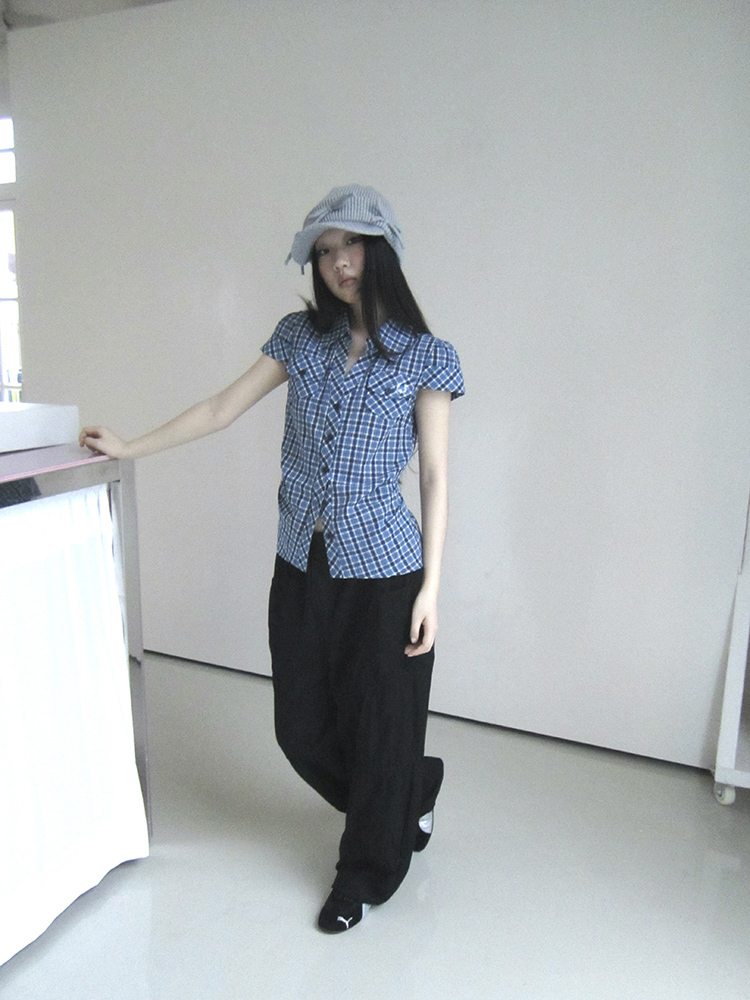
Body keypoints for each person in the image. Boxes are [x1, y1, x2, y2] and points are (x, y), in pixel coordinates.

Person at [80, 185, 465, 933]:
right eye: (324, 251)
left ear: (380, 250)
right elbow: (220, 409)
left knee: (381, 725)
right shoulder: (299, 337)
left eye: (350, 245)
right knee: (300, 726)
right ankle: (407, 789)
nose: (338, 263)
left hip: (387, 571)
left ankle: (364, 873)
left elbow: (435, 477)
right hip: (302, 562)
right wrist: (130, 447)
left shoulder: (427, 356)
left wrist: (433, 588)